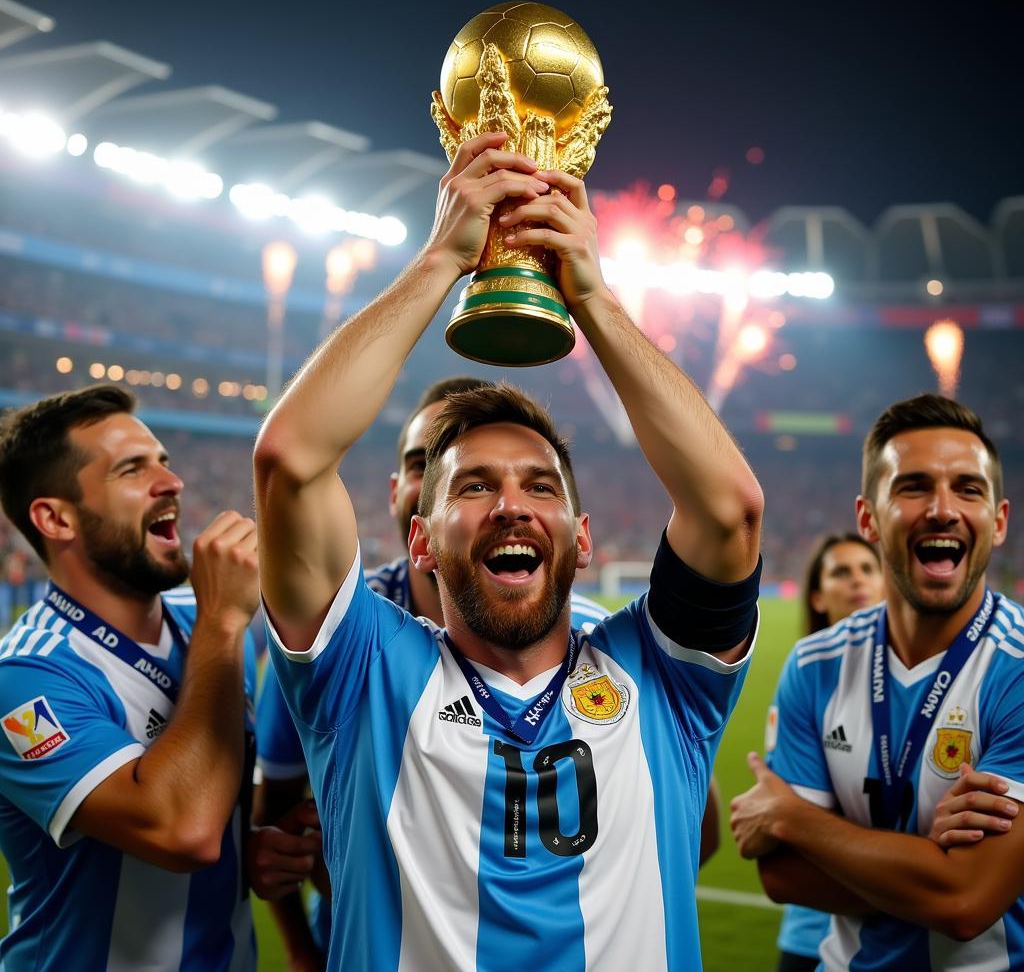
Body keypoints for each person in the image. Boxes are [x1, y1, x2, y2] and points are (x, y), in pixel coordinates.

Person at [254, 131, 764, 970]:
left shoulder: (660, 678)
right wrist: (440, 262)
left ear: (583, 535)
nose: (513, 508)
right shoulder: (364, 674)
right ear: (419, 538)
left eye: (540, 485)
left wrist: (591, 294)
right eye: (474, 486)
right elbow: (290, 460)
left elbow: (728, 508)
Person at [254, 374, 612, 967]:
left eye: (529, 482)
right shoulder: (335, 643)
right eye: (425, 464)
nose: (504, 503)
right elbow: (278, 818)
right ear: (402, 494)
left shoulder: (594, 642)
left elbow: (679, 825)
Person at [0, 385, 316, 970]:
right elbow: (182, 831)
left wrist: (248, 847)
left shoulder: (207, 622)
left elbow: (211, 799)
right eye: (131, 469)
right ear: (55, 517)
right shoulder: (25, 679)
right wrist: (224, 621)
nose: (172, 483)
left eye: (164, 463)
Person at [731, 394, 1024, 971]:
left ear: (999, 520)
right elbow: (782, 874)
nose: (942, 509)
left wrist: (795, 818)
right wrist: (931, 868)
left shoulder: (1016, 669)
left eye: (968, 488)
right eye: (913, 486)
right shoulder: (816, 665)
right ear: (868, 517)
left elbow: (967, 902)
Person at [772, 534, 883, 972]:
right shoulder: (806, 678)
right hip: (812, 928)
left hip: (907, 930)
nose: (858, 580)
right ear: (817, 596)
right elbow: (785, 828)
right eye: (841, 571)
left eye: (868, 569)